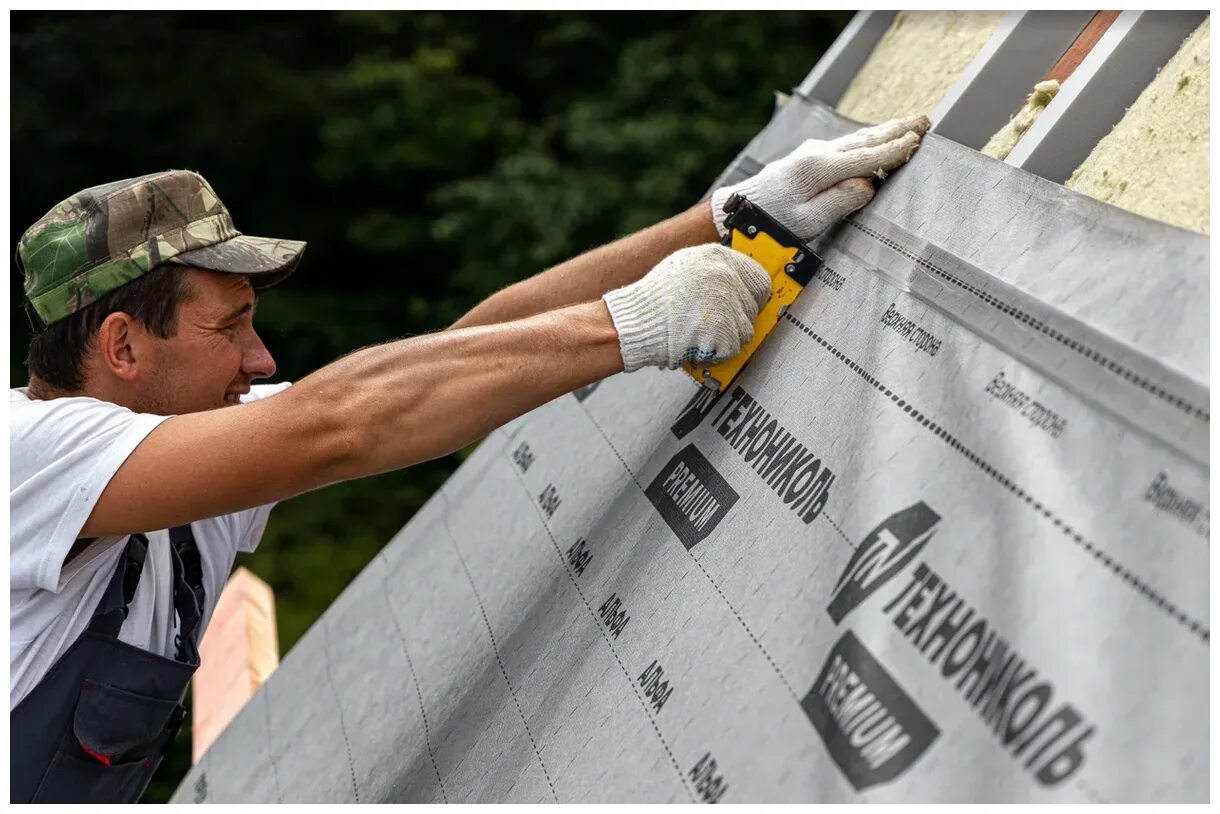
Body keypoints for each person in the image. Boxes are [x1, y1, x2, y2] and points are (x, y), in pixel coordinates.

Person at [9, 114, 928, 802]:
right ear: (123, 348)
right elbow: (349, 420)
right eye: (232, 325)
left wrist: (722, 222)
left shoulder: (183, 454)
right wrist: (631, 327)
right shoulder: (29, 457)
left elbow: (459, 352)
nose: (262, 361)